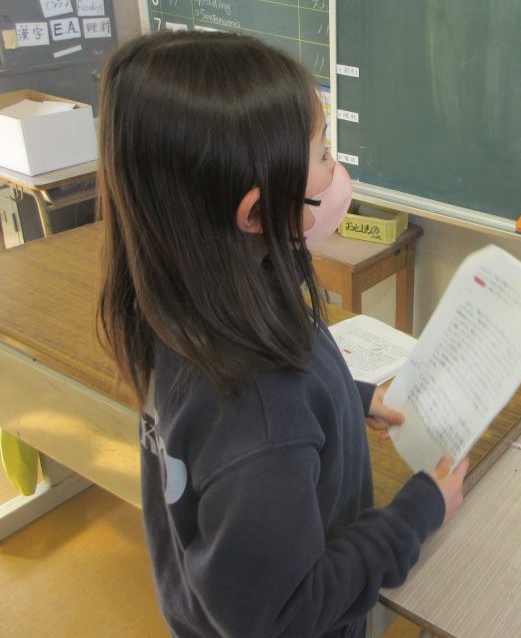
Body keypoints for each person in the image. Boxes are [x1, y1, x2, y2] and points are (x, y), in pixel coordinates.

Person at [96, 31, 467, 637]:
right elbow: (284, 615)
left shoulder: (184, 297)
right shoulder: (258, 408)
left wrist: (348, 398)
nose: (336, 169)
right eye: (324, 153)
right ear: (254, 212)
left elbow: (261, 426)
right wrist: (417, 513)